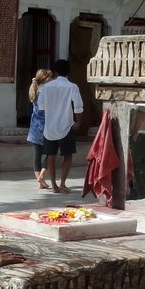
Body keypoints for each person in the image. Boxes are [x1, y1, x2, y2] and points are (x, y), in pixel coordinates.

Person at [36, 59, 84, 194]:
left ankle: (54, 185)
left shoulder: (47, 87)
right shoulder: (72, 87)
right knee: (67, 155)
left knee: (50, 156)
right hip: (66, 126)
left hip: (50, 127)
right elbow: (78, 107)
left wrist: (52, 114)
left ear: (55, 71)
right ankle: (63, 183)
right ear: (69, 71)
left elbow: (42, 106)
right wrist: (78, 122)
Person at [26, 68, 54, 190]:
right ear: (45, 78)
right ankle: (42, 176)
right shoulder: (46, 91)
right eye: (50, 77)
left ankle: (40, 181)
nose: (52, 79)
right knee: (50, 151)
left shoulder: (35, 88)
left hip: (35, 126)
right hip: (46, 125)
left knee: (37, 154)